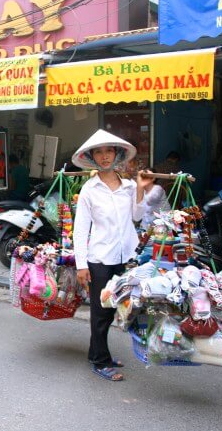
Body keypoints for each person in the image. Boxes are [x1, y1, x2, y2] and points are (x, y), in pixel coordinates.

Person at [72, 129, 150, 382]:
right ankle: (100, 361)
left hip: (126, 257)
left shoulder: (128, 186)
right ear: (92, 157)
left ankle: (98, 352)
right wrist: (81, 265)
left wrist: (141, 189)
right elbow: (81, 228)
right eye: (99, 152)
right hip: (100, 259)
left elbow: (137, 217)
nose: (104, 156)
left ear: (116, 155)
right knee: (101, 311)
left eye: (108, 151)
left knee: (123, 307)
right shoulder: (89, 189)